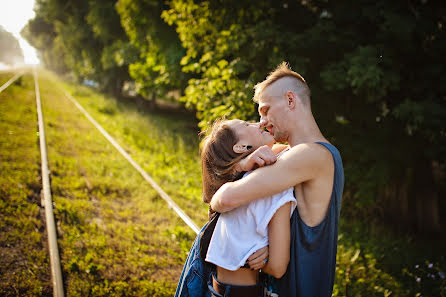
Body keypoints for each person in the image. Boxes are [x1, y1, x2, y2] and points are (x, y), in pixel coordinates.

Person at [210, 62, 345, 297]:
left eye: (265, 109)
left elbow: (224, 199)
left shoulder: (309, 155)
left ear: (290, 101)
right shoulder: (303, 153)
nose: (262, 121)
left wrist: (237, 170)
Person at [201, 119, 296, 297]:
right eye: (246, 125)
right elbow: (277, 267)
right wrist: (263, 256)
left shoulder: (242, 180)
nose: (258, 123)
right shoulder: (273, 183)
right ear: (241, 147)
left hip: (217, 286)